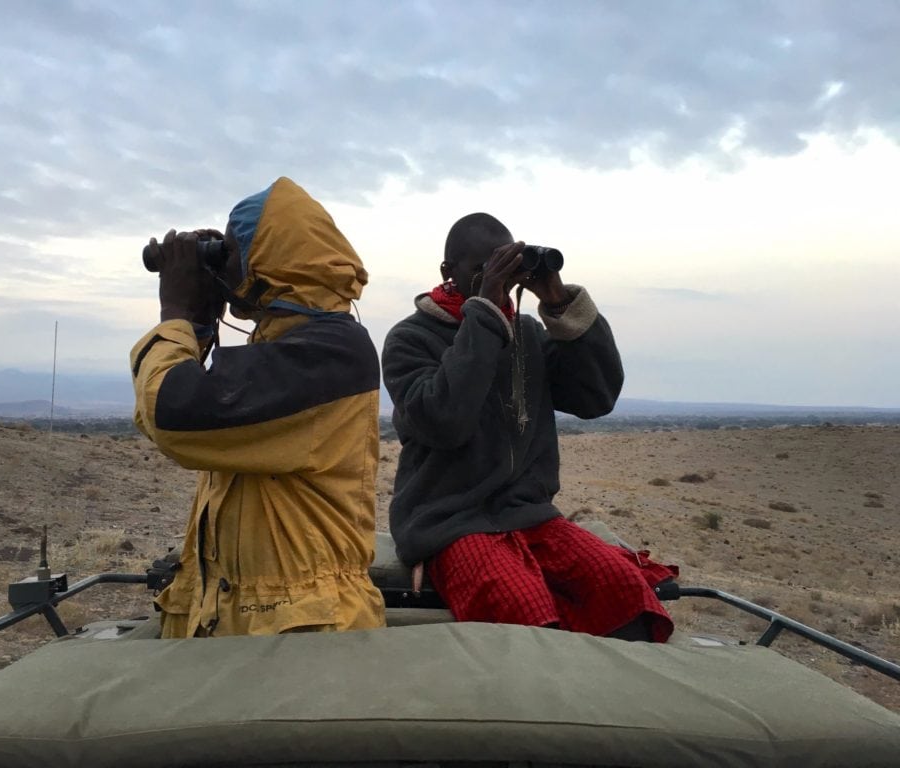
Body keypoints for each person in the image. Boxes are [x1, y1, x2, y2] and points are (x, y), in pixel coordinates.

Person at [382, 213, 675, 642]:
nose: (498, 279)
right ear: (448, 272)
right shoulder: (410, 338)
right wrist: (483, 310)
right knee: (519, 609)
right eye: (482, 269)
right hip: (447, 520)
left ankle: (607, 700)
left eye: (505, 266)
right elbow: (444, 421)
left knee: (625, 591)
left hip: (530, 513)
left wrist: (558, 302)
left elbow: (595, 398)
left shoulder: (528, 332)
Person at [131, 176, 386, 638]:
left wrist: (176, 315)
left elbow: (172, 413)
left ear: (266, 261)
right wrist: (202, 326)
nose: (224, 266)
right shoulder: (282, 344)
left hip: (303, 637)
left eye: (232, 251)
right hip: (256, 626)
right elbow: (171, 418)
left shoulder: (331, 353)